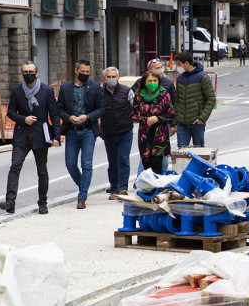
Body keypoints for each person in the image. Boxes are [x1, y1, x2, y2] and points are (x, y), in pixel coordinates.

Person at [0, 61, 60, 215]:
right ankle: (10, 202)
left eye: (31, 71)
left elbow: (54, 114)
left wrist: (57, 136)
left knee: (42, 171)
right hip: (22, 135)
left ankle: (43, 202)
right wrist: (23, 119)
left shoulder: (47, 90)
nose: (28, 74)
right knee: (15, 167)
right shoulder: (17, 90)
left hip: (41, 135)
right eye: (25, 72)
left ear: (37, 73)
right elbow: (11, 112)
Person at [57, 60, 105, 210]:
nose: (85, 74)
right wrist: (68, 117)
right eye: (82, 72)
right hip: (71, 130)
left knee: (87, 163)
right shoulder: (65, 88)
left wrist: (88, 117)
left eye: (87, 72)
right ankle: (83, 184)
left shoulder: (95, 87)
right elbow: (59, 109)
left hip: (88, 130)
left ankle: (82, 196)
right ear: (76, 70)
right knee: (70, 163)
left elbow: (101, 108)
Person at [131, 58, 176, 174]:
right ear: (145, 82)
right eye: (150, 81)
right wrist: (146, 119)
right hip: (145, 134)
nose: (153, 83)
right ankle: (146, 188)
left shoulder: (164, 94)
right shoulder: (139, 96)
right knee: (146, 163)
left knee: (158, 163)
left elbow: (171, 112)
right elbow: (134, 115)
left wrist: (157, 118)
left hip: (160, 133)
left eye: (155, 81)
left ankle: (157, 187)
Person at [100, 67, 134, 199]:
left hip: (125, 131)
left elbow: (134, 107)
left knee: (124, 159)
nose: (111, 79)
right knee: (112, 161)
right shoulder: (100, 93)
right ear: (104, 79)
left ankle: (122, 188)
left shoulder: (127, 91)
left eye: (114, 77)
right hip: (108, 132)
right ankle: (114, 187)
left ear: (118, 78)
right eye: (109, 77)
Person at [174, 51, 216, 147]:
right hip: (182, 124)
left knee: (199, 151)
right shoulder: (180, 78)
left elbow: (211, 99)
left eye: (179, 64)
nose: (178, 67)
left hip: (197, 123)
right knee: (181, 152)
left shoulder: (202, 77)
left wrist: (202, 118)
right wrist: (175, 121)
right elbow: (177, 101)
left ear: (187, 63)